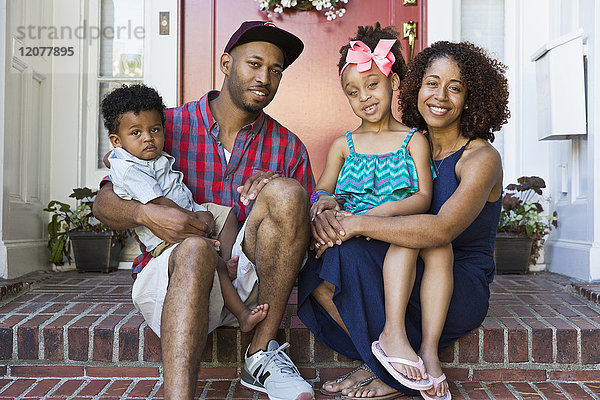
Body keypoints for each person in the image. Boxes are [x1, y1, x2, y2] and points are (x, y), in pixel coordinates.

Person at [93, 21, 316, 400]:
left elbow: (305, 225)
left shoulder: (287, 146)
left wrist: (293, 192)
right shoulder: (164, 126)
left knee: (288, 193)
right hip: (173, 280)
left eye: (275, 70)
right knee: (196, 250)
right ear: (226, 63)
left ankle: (260, 355)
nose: (264, 77)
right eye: (255, 64)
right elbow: (104, 204)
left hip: (247, 284)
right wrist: (146, 215)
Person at [298, 39, 509, 400]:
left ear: (472, 97)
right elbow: (331, 189)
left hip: (454, 281)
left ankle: (394, 373)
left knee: (355, 256)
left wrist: (356, 223)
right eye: (431, 83)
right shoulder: (411, 144)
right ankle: (389, 355)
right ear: (414, 87)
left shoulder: (481, 158)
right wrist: (328, 212)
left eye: (455, 87)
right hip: (406, 259)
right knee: (321, 266)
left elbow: (441, 229)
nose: (440, 96)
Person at [308, 23, 453, 398]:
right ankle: (386, 362)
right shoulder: (344, 144)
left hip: (391, 235)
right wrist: (323, 203)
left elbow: (423, 197)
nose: (364, 98)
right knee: (319, 279)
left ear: (394, 83)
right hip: (349, 233)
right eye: (353, 92)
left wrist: (380, 217)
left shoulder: (413, 140)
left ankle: (392, 350)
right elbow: (323, 187)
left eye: (372, 85)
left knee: (404, 239)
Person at [101, 83, 269, 333]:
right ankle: (241, 311)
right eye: (136, 133)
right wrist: (197, 219)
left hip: (190, 209)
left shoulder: (147, 155)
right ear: (117, 141)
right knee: (207, 259)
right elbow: (159, 205)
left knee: (228, 214)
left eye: (155, 130)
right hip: (168, 234)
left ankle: (226, 259)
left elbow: (114, 157)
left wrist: (200, 213)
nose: (148, 138)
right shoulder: (130, 169)